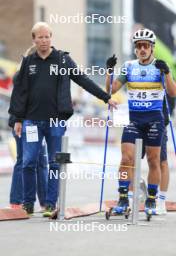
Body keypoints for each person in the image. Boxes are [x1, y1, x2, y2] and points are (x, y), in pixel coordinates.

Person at [9, 22, 117, 216]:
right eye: (39, 37)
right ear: (33, 40)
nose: (43, 40)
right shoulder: (28, 62)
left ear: (51, 37)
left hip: (56, 121)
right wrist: (18, 119)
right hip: (31, 121)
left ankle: (50, 204)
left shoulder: (63, 60)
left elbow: (83, 80)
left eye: (47, 36)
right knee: (28, 162)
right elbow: (20, 91)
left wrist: (105, 97)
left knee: (55, 163)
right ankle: (27, 204)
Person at [105, 28, 176, 215]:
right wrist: (109, 71)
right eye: (139, 46)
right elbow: (110, 91)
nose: (142, 49)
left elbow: (172, 92)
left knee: (154, 160)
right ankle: (123, 199)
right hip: (134, 121)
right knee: (126, 158)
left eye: (146, 46)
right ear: (135, 49)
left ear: (152, 48)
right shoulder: (129, 66)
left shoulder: (159, 66)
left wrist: (167, 73)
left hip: (155, 121)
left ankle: (152, 200)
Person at [8, 46, 48, 211]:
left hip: (32, 123)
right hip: (25, 124)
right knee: (27, 161)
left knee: (35, 162)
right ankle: (21, 201)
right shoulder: (24, 75)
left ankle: (41, 202)